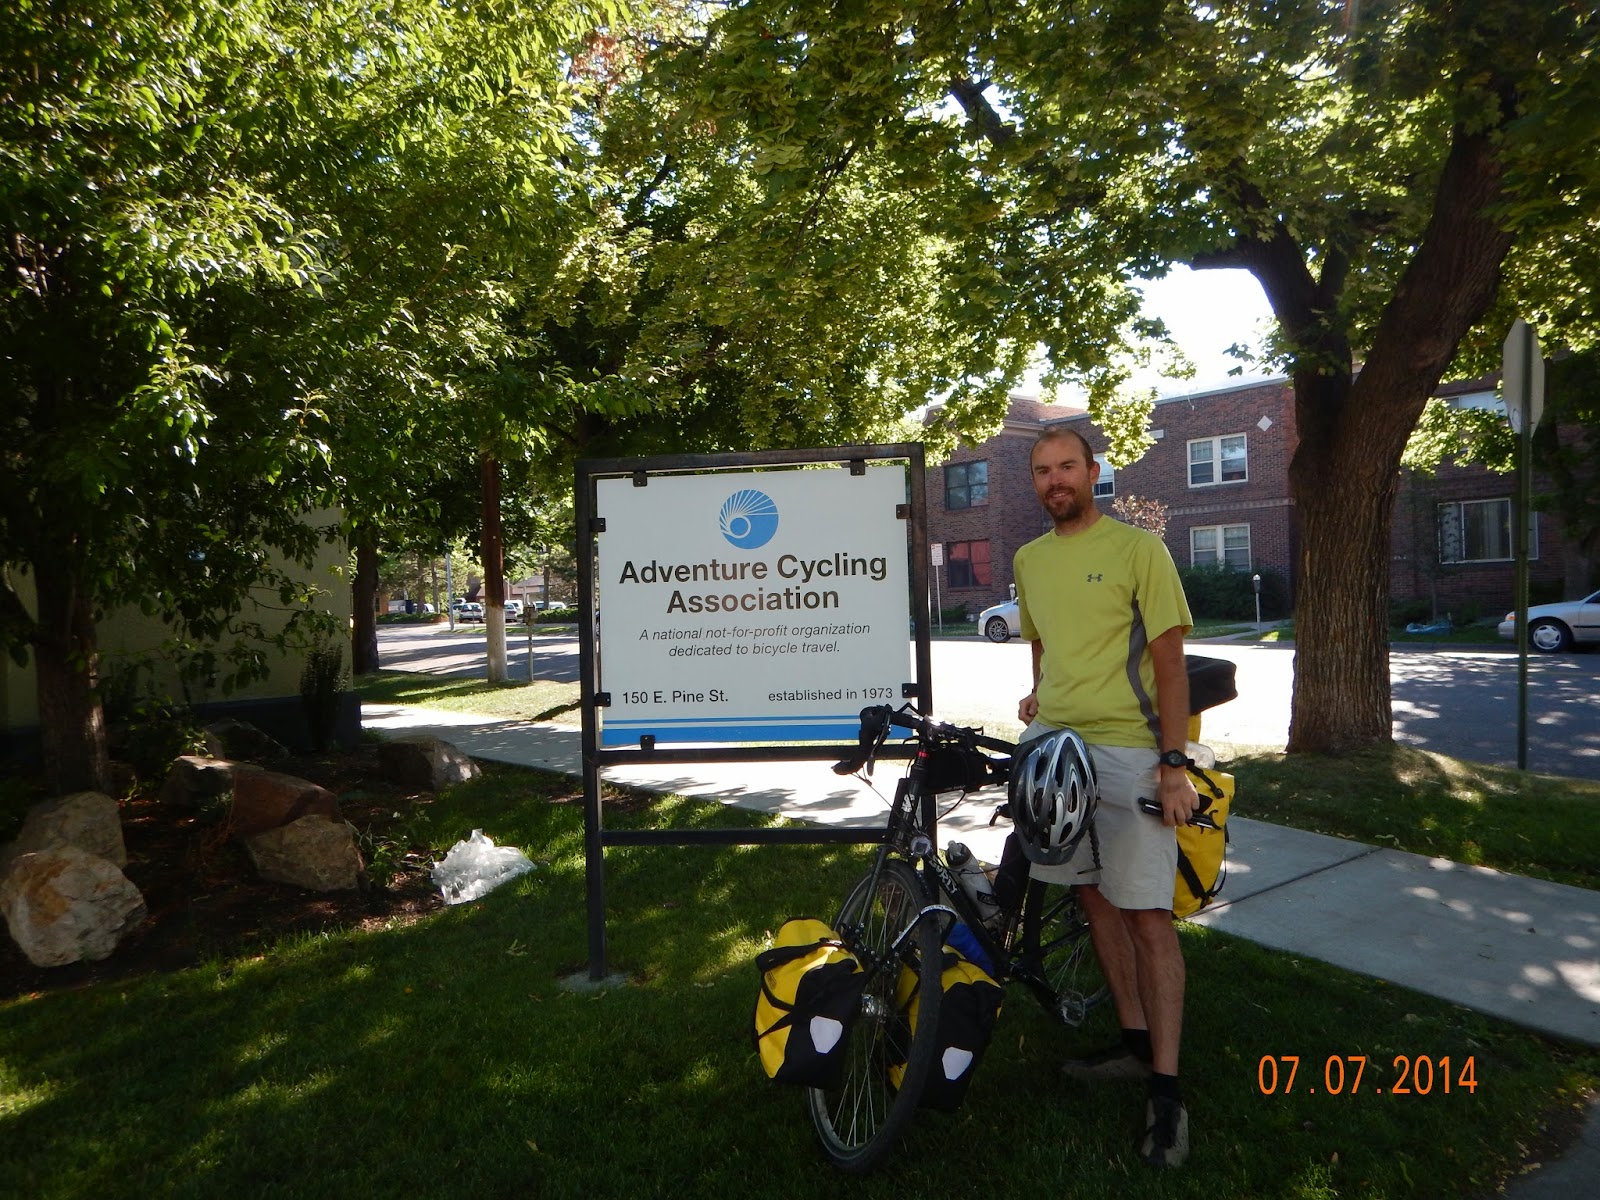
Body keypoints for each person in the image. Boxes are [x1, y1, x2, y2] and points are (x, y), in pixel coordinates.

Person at [1013, 425, 1199, 1169]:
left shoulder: (1138, 550)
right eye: (1042, 470)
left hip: (1128, 753)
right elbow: (1043, 643)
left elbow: (1170, 664)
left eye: (1067, 467)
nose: (1055, 479)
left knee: (1147, 915)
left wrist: (1173, 764)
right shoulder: (1029, 559)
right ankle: (1132, 1043)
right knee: (1092, 899)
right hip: (1054, 753)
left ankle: (1168, 1093)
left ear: (1094, 473)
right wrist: (1039, 691)